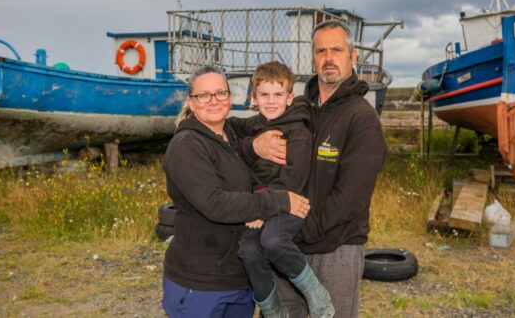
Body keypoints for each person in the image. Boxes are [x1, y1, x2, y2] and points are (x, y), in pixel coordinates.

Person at [245, 20, 387, 317]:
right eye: (321, 51)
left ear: (353, 56)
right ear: (313, 57)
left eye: (337, 49)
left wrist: (299, 233)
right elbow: (249, 140)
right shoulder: (295, 108)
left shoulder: (361, 118)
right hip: (288, 240)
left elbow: (352, 197)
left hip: (335, 245)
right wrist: (253, 146)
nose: (328, 58)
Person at [161, 66, 311, 318]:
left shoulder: (229, 132)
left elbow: (265, 124)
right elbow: (215, 203)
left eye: (221, 93)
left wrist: (254, 146)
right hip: (200, 281)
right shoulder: (187, 146)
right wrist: (278, 200)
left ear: (231, 97)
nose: (213, 101)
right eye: (203, 95)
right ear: (190, 101)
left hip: (237, 276)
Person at [231, 61, 334, 318]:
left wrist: (261, 210)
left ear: (290, 98)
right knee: (248, 251)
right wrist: (250, 144)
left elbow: (294, 180)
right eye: (264, 95)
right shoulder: (255, 123)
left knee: (273, 240)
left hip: (290, 202)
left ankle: (315, 293)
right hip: (261, 204)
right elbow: (231, 124)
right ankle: (272, 309)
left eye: (278, 95)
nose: (271, 101)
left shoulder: (298, 132)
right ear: (253, 97)